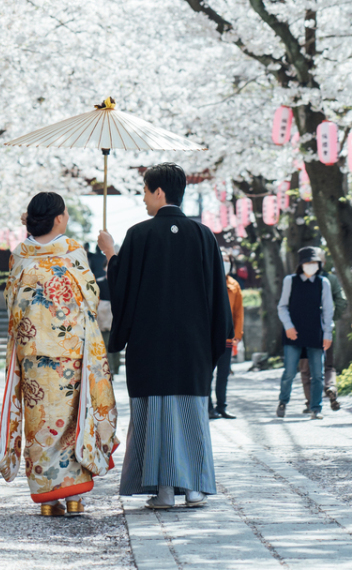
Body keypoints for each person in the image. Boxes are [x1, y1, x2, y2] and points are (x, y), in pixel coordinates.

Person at [98, 163, 232, 510]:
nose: (142, 199)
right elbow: (218, 294)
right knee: (192, 412)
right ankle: (195, 488)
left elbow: (123, 287)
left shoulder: (140, 234)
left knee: (156, 411)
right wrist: (218, 340)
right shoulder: (204, 235)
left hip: (151, 342)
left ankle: (164, 491)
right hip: (193, 344)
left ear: (159, 192)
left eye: (144, 191)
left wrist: (111, 253)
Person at [0, 192, 118, 516]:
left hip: (33, 352)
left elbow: (12, 299)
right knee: (71, 418)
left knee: (39, 421)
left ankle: (47, 498)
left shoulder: (19, 254)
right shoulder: (72, 250)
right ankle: (74, 495)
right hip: (70, 351)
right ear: (59, 218)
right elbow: (90, 296)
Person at [276, 245, 333, 419]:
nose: (311, 265)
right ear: (301, 264)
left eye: (314, 262)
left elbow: (328, 310)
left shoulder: (323, 282)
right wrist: (288, 326)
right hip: (293, 333)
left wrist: (328, 334)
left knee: (317, 374)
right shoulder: (290, 280)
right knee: (290, 372)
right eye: (308, 262)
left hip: (315, 332)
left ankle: (316, 408)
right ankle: (283, 402)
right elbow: (282, 306)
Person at [298, 251, 346, 412]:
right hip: (326, 328)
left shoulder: (298, 280)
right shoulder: (331, 279)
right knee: (329, 364)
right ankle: (330, 387)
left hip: (304, 330)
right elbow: (341, 301)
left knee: (306, 368)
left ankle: (311, 402)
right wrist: (330, 319)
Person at [209, 254, 244, 420]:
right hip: (208, 338)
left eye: (228, 261)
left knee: (223, 374)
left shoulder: (234, 285)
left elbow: (239, 312)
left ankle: (221, 406)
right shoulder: (207, 280)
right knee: (207, 374)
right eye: (221, 260)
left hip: (227, 337)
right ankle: (208, 407)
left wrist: (237, 334)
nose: (225, 264)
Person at [85, 242, 121, 377]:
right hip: (104, 315)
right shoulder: (99, 282)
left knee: (112, 342)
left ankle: (114, 367)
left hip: (111, 314)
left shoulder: (103, 282)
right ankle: (111, 367)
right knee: (106, 342)